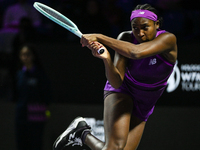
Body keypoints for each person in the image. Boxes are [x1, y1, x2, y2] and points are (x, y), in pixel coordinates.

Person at [53, 3, 177, 150]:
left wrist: (99, 37)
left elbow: (135, 52)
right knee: (115, 148)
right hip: (123, 91)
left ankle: (81, 134)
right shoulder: (125, 37)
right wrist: (107, 59)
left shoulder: (168, 39)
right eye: (135, 28)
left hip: (145, 102)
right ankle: (81, 134)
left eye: (145, 27)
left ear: (156, 24)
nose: (140, 33)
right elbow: (116, 82)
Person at [14, 44, 52, 150]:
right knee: (21, 143)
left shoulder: (40, 74)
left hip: (37, 114)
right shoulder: (19, 74)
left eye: (27, 54)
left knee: (35, 143)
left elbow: (47, 95)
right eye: (22, 55)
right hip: (21, 114)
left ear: (33, 56)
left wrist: (46, 112)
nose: (25, 57)